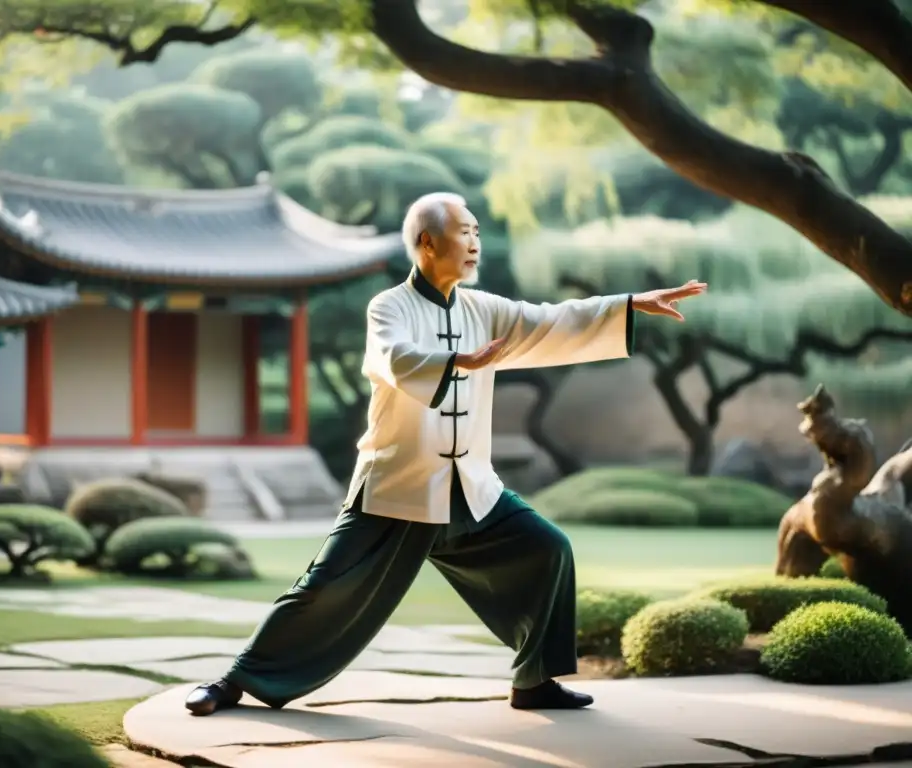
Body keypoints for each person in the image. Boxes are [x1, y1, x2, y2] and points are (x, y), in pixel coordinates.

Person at [185, 192, 707, 716]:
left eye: (478, 232)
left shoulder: (484, 309)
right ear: (428, 243)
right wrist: (459, 359)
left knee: (547, 550)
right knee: (323, 589)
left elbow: (551, 320)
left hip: (471, 487)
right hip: (399, 486)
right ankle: (233, 681)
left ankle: (534, 682)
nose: (475, 243)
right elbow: (394, 358)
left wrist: (628, 304)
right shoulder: (389, 306)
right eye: (465, 232)